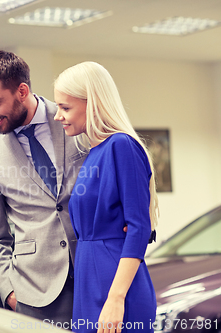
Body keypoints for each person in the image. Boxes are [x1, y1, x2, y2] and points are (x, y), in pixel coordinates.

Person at [0, 50, 87, 325]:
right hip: (35, 294)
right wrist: (9, 291)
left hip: (96, 273)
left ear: (22, 91)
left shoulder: (74, 118)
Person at [53, 61, 158, 333]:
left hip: (116, 286)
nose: (58, 116)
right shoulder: (94, 153)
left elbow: (139, 227)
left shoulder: (121, 146)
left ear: (93, 104)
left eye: (65, 107)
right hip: (89, 281)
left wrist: (115, 299)